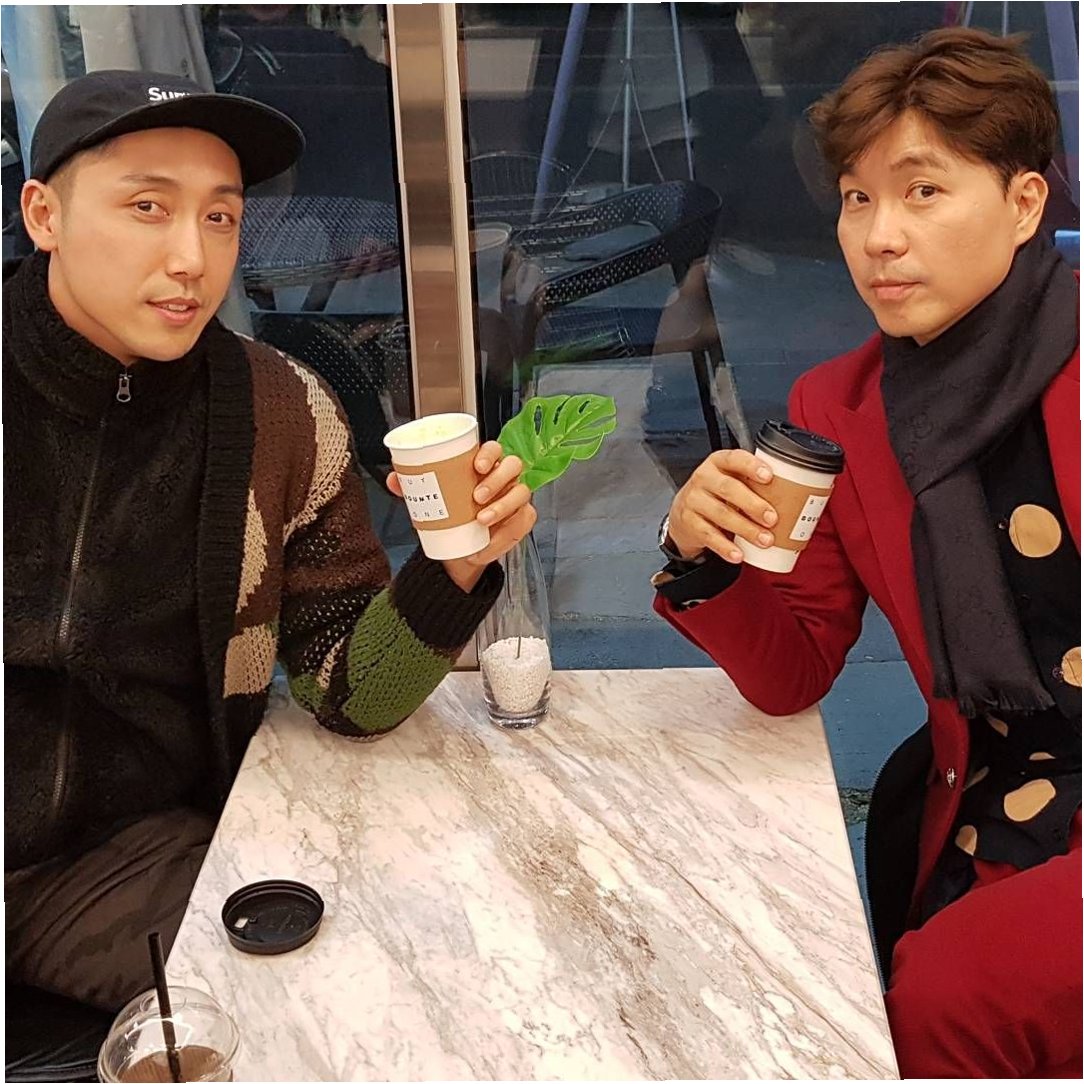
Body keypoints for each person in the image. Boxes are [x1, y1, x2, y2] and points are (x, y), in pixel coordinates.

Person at [3, 69, 535, 1013]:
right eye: (147, 207)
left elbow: (347, 690)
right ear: (44, 214)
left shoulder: (281, 412)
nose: (190, 258)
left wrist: (452, 570)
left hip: (120, 863)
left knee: (389, 984)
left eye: (219, 217)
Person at [653, 28, 1080, 1079]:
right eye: (856, 199)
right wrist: (705, 561)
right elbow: (795, 668)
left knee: (951, 996)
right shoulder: (837, 409)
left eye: (923, 191)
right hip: (994, 805)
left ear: (1024, 203)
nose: (880, 237)